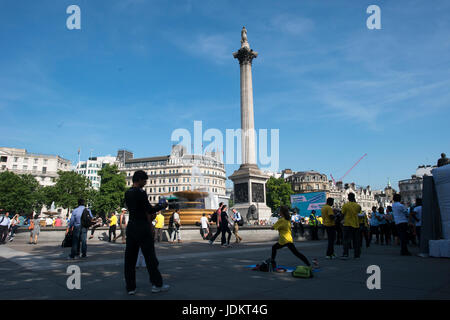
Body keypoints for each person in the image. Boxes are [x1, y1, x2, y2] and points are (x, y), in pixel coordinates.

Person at [124, 170, 169, 295]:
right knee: (150, 258)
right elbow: (148, 209)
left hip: (131, 227)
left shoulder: (127, 193)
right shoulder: (141, 192)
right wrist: (161, 206)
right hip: (142, 227)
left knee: (130, 259)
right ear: (139, 180)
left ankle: (130, 287)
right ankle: (157, 284)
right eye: (144, 181)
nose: (145, 183)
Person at [271, 205, 313, 270]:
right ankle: (308, 264)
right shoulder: (288, 219)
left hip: (284, 240)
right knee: (297, 253)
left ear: (281, 212)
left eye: (280, 211)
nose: (279, 212)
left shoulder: (281, 220)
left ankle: (272, 262)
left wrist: (274, 225)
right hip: (289, 239)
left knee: (274, 248)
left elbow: (272, 228)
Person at [341, 193, 361, 260]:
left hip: (347, 224)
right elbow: (358, 213)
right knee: (356, 241)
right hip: (356, 225)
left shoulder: (345, 205)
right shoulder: (358, 206)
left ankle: (345, 254)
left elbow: (342, 214)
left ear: (348, 198)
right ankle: (356, 255)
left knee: (346, 240)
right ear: (354, 197)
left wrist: (341, 221)